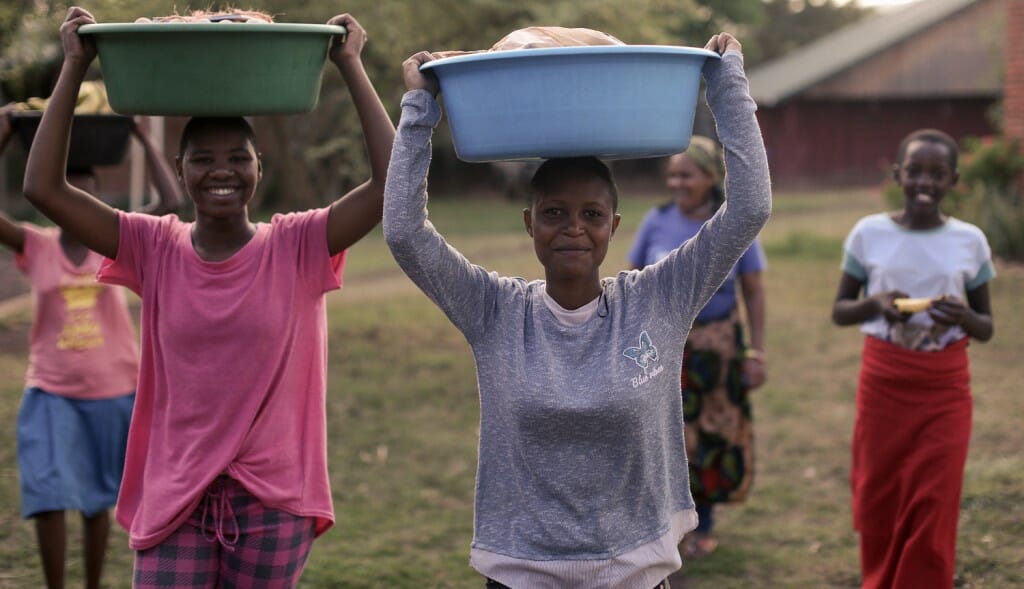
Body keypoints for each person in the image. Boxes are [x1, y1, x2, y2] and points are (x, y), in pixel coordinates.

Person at [23, 6, 394, 587]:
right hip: (177, 494)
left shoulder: (297, 244)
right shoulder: (152, 245)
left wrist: (349, 63)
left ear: (258, 166)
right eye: (203, 159)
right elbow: (44, 187)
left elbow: (393, 181)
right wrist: (74, 66)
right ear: (180, 168)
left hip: (273, 500)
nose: (222, 171)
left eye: (237, 158)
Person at [385, 32, 771, 588]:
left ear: (614, 226)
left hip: (636, 572)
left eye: (592, 214)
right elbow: (404, 233)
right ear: (530, 223)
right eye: (554, 213)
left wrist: (726, 87)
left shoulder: (657, 300)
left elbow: (750, 208)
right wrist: (420, 107)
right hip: (521, 573)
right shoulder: (495, 312)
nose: (573, 228)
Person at [0, 104, 180, 589]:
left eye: (85, 196)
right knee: (48, 498)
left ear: (98, 202)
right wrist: (5, 135)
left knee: (97, 501)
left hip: (113, 391)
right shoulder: (36, 245)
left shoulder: (116, 243)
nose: (74, 205)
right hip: (51, 391)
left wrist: (142, 136)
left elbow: (170, 201)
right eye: (65, 195)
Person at [831, 128, 995, 589]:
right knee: (880, 495)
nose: (925, 182)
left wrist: (964, 316)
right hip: (885, 382)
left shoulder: (970, 241)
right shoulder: (869, 233)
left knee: (934, 499)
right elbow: (840, 311)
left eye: (938, 173)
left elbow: (986, 327)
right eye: (915, 171)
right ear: (897, 174)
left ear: (953, 180)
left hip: (944, 387)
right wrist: (874, 303)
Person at [627, 136, 767, 559]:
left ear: (710, 177)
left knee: (712, 434)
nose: (677, 183)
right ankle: (664, 523)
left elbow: (754, 291)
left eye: (686, 175)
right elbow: (631, 282)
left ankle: (702, 523)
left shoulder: (732, 225)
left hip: (716, 349)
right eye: (672, 175)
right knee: (664, 435)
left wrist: (756, 353)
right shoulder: (656, 221)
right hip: (663, 348)